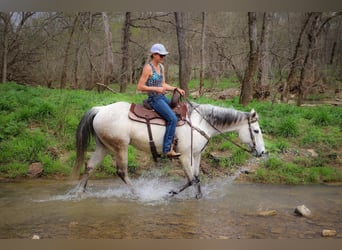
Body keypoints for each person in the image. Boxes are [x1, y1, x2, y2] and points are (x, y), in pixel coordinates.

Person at [137, 43, 185, 158]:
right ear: (154, 54)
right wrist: (156, 89)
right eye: (161, 55)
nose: (163, 58)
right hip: (154, 99)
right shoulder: (148, 68)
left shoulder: (161, 67)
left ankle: (176, 140)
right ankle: (167, 149)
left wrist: (175, 88)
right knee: (172, 118)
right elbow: (140, 87)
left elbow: (163, 84)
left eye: (164, 56)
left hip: (161, 97)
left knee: (178, 109)